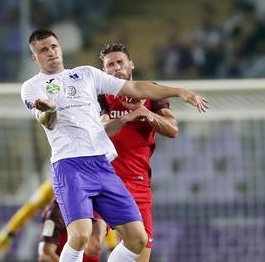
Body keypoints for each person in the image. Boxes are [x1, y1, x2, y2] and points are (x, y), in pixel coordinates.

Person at [20, 28, 208, 262]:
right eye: (43, 50)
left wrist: (181, 92)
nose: (50, 52)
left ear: (60, 48)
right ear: (34, 57)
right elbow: (46, 121)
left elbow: (137, 88)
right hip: (70, 165)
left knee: (137, 240)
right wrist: (49, 109)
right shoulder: (32, 87)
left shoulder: (87, 74)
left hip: (102, 164)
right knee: (81, 237)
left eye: (53, 47)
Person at [98, 42, 178, 262]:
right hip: (104, 179)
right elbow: (100, 131)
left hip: (138, 182)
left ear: (130, 64)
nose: (116, 68)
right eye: (110, 65)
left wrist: (145, 113)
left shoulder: (151, 93)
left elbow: (172, 130)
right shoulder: (102, 96)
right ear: (105, 71)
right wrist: (126, 118)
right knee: (92, 242)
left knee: (140, 256)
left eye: (120, 62)